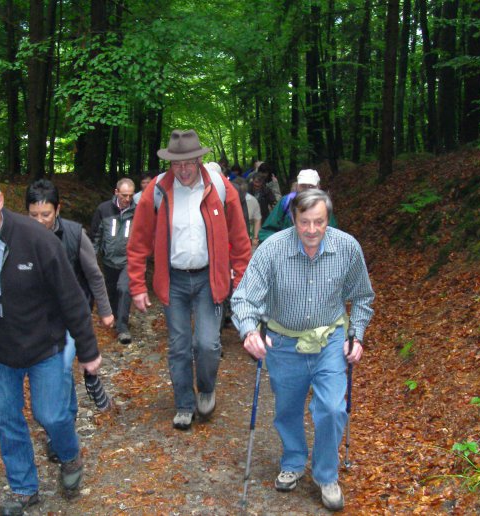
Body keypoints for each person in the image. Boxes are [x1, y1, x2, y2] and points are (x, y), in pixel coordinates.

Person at [0, 165, 102, 515]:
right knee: (5, 419)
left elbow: (71, 297)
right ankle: (23, 488)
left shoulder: (36, 240)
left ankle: (70, 457)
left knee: (52, 415)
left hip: (45, 344)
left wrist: (88, 351)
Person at [231, 189, 374, 512]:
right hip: (283, 343)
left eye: (319, 222)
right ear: (293, 219)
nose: (311, 230)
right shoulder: (272, 250)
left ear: (328, 220)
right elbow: (243, 299)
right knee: (287, 409)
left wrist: (356, 335)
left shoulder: (346, 248)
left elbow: (363, 297)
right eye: (304, 222)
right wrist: (249, 330)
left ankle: (326, 474)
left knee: (333, 409)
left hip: (331, 341)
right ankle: (294, 460)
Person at [127, 129, 251, 430]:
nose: (182, 170)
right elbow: (138, 240)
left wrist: (241, 279)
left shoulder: (220, 188)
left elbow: (240, 237)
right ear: (170, 163)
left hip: (210, 278)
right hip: (174, 280)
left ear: (199, 160)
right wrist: (137, 285)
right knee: (179, 345)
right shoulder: (157, 191)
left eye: (188, 163)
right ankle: (184, 403)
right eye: (176, 164)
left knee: (208, 344)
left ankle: (206, 388)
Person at [25, 179, 114, 458]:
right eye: (33, 215)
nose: (39, 221)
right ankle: (62, 424)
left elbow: (94, 275)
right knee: (53, 376)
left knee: (63, 368)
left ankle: (63, 430)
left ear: (58, 210)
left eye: (46, 215)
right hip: (38, 319)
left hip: (72, 317)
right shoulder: (19, 237)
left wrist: (106, 310)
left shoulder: (75, 235)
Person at [90, 178, 136, 344]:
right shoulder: (104, 209)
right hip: (109, 260)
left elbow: (142, 238)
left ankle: (123, 328)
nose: (128, 199)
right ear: (116, 192)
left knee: (124, 288)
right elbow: (95, 236)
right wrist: (92, 260)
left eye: (130, 195)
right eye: (124, 195)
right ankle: (116, 317)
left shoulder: (137, 212)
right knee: (112, 292)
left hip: (128, 260)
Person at [258, 168, 337, 242]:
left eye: (311, 186)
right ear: (297, 186)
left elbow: (333, 235)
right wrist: (282, 244)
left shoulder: (324, 205)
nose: (307, 189)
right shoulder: (286, 202)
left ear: (318, 187)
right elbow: (265, 232)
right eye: (303, 186)